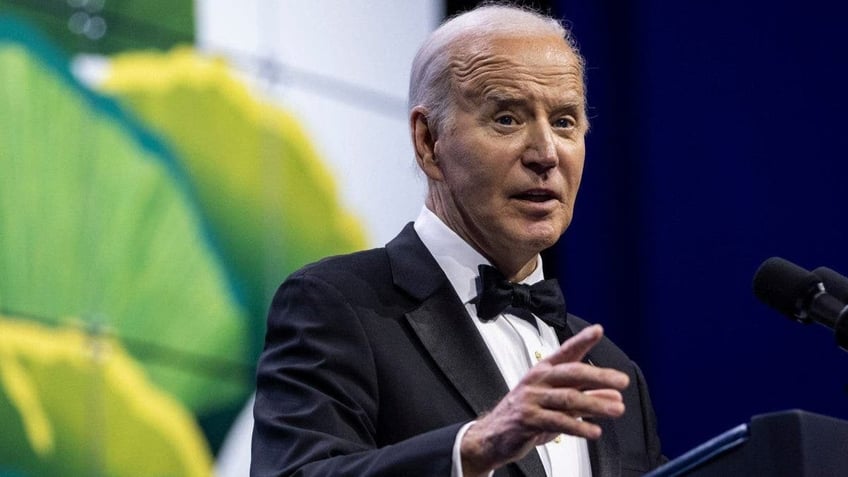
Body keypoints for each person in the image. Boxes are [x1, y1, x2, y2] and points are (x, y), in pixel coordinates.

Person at [251, 4, 664, 477]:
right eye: (507, 118)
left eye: (565, 122)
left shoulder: (614, 372)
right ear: (429, 142)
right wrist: (470, 449)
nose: (546, 153)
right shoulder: (337, 306)